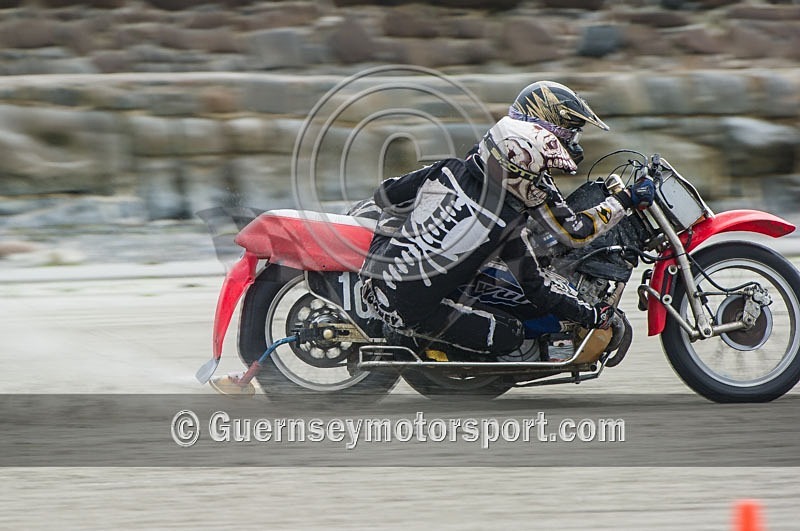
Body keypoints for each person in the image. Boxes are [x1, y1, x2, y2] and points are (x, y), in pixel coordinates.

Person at [357, 81, 655, 358]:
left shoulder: (448, 168)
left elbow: (386, 195)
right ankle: (414, 345)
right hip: (406, 311)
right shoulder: (505, 226)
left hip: (372, 272)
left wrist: (425, 228)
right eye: (568, 135)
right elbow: (540, 286)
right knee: (510, 335)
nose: (543, 182)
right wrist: (593, 315)